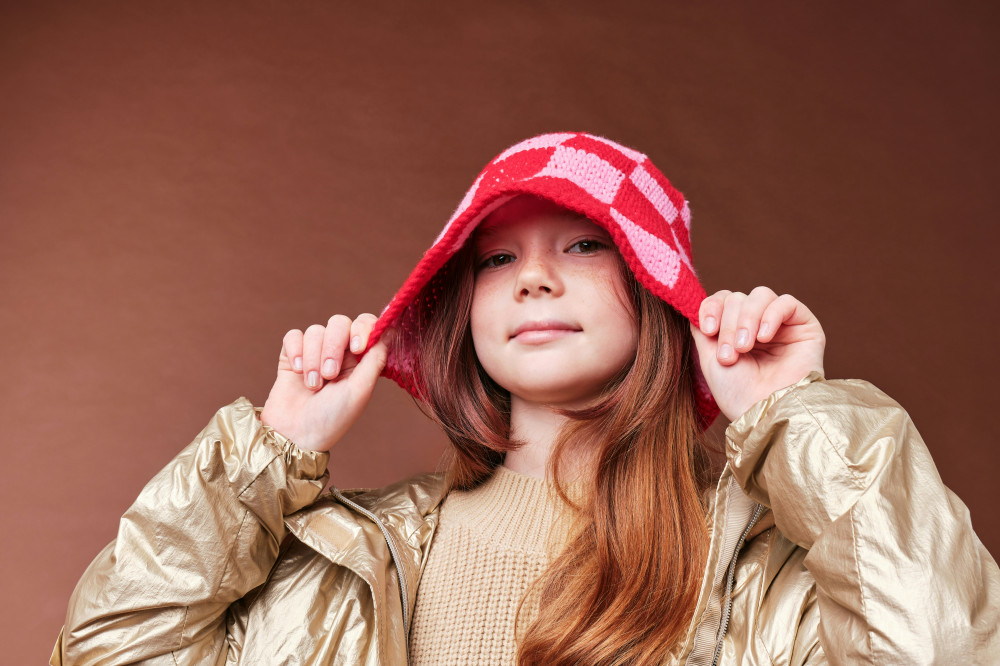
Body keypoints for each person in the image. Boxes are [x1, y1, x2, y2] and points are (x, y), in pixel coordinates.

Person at [52, 133, 999, 665]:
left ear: (656, 291)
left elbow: (942, 652)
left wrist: (797, 416)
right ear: (462, 313)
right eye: (497, 259)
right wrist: (268, 452)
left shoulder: (747, 564)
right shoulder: (344, 562)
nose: (533, 278)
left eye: (583, 244)